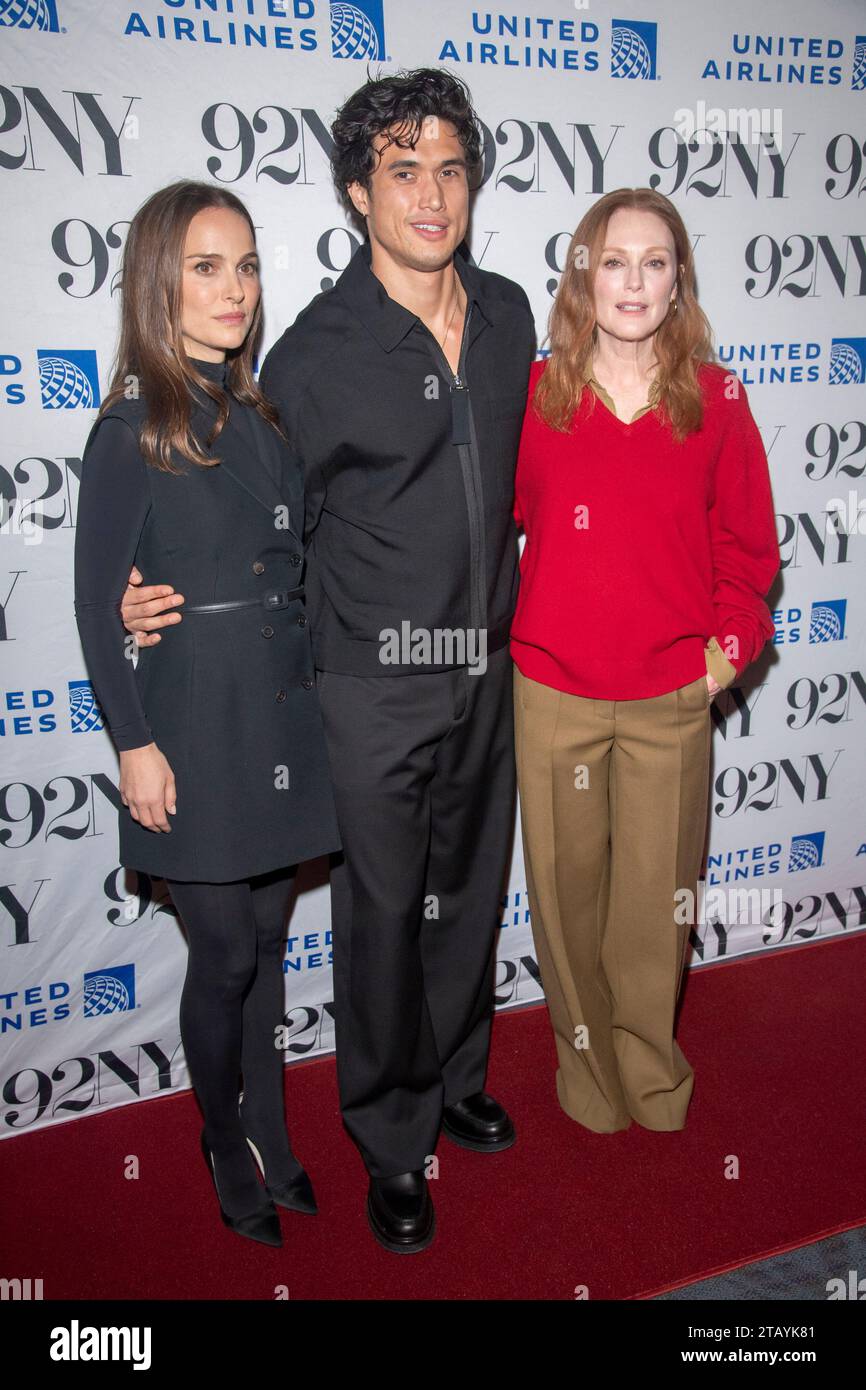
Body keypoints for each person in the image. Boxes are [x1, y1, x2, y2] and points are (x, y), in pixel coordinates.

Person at [117, 68, 537, 1254]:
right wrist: (158, 603)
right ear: (359, 193)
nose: (429, 191)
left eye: (448, 166)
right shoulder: (310, 352)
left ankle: (455, 1077)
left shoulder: (509, 315)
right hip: (367, 683)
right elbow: (252, 514)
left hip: (483, 668)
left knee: (465, 900)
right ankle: (391, 1138)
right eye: (401, 169)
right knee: (382, 917)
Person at [73, 181, 341, 1248]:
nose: (234, 290)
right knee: (224, 953)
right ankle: (221, 1138)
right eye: (204, 267)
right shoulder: (131, 423)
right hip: (190, 725)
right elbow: (98, 607)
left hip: (282, 717)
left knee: (269, 948)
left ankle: (273, 1131)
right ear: (158, 283)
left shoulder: (265, 412)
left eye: (245, 266)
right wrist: (134, 745)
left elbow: (299, 560)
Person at [511, 187, 780, 1134]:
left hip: (671, 696)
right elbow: (458, 529)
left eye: (655, 261)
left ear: (679, 280)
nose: (633, 280)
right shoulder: (536, 394)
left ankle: (650, 1069)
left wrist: (723, 662)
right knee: (566, 906)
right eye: (613, 260)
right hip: (552, 694)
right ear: (585, 274)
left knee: (653, 913)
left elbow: (750, 554)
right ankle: (587, 1077)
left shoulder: (717, 398)